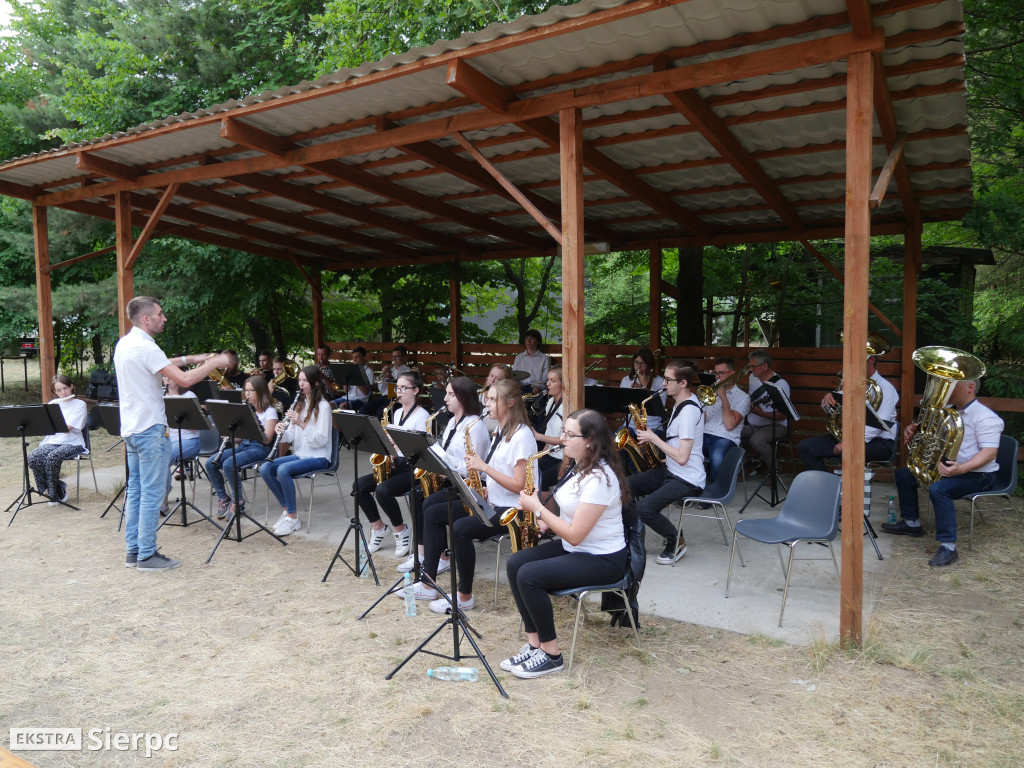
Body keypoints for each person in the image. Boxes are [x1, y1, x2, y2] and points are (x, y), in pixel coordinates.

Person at [501, 408, 630, 679]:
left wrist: (538, 510)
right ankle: (535, 643)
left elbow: (574, 535)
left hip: (603, 559)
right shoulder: (578, 466)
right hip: (578, 549)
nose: (563, 439)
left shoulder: (600, 479)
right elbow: (572, 511)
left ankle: (551, 655)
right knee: (515, 563)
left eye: (570, 435)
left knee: (529, 575)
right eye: (564, 432)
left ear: (590, 441)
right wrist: (548, 519)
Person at [113, 296, 230, 571]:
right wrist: (215, 362)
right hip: (151, 429)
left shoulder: (126, 343)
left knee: (137, 491)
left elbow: (163, 362)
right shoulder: (145, 346)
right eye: (160, 314)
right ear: (146, 319)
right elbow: (186, 379)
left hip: (131, 429)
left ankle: (134, 551)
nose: (164, 318)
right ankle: (147, 555)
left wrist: (195, 358)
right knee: (153, 493)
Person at [429, 378, 535, 614]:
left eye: (492, 399)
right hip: (495, 501)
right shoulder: (500, 430)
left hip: (514, 509)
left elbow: (521, 485)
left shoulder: (522, 435)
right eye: (486, 398)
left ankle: (464, 595)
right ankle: (429, 577)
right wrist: (487, 487)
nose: (486, 403)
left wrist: (484, 468)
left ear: (509, 403)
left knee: (460, 529)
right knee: (438, 510)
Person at [882, 377, 1003, 567]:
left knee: (939, 489)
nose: (946, 390)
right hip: (949, 468)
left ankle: (949, 547)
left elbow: (989, 453)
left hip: (978, 475)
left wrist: (961, 469)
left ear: (970, 388)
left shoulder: (986, 417)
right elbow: (930, 438)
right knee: (904, 475)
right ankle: (912, 524)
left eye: (952, 386)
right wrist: (913, 431)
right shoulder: (946, 413)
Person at [402, 376, 490, 599]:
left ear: (463, 397)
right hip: (454, 481)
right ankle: (438, 560)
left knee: (432, 512)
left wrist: (447, 465)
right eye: (447, 393)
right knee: (426, 502)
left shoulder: (475, 427)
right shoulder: (452, 422)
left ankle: (429, 580)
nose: (446, 398)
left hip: (471, 488)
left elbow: (476, 469)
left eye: (451, 394)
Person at [626, 361, 705, 565]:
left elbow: (683, 457)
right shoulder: (679, 404)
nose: (663, 384)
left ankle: (675, 539)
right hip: (671, 469)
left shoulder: (689, 411)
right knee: (624, 486)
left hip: (687, 478)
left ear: (684, 382)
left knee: (645, 508)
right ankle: (632, 533)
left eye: (668, 380)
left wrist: (653, 438)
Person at [353, 369, 429, 556]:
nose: (399, 392)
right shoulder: (395, 413)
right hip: (397, 464)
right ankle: (378, 527)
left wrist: (397, 445)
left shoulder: (423, 416)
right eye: (398, 388)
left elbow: (421, 450)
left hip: (414, 468)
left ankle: (400, 530)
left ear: (416, 390)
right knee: (359, 486)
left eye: (404, 388)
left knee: (383, 490)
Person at [263, 365, 334, 537]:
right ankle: (287, 511)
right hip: (302, 454)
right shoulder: (300, 404)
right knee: (266, 468)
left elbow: (321, 440)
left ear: (315, 383)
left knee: (283, 470)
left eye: (305, 381)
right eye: (299, 380)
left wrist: (302, 423)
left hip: (319, 456)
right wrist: (282, 431)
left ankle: (293, 518)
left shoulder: (324, 407)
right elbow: (291, 436)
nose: (301, 384)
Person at [797, 354, 898, 472]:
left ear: (872, 359)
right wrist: (828, 398)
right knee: (806, 447)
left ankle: (850, 489)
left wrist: (849, 442)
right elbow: (830, 408)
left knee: (847, 453)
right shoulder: (853, 383)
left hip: (879, 442)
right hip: (848, 436)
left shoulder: (886, 388)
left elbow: (879, 426)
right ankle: (827, 487)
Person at [206, 375, 278, 520]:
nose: (247, 394)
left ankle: (238, 500)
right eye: (246, 390)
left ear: (260, 392)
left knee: (228, 464)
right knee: (210, 463)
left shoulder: (270, 411)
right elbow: (241, 438)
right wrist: (230, 434)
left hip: (260, 448)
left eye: (251, 391)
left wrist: (253, 426)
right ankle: (223, 498)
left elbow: (267, 439)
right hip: (245, 445)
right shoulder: (246, 409)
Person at [27, 374, 88, 506]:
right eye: (59, 390)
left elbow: (67, 428)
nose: (63, 393)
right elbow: (46, 427)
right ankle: (58, 486)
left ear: (71, 387)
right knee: (33, 458)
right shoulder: (53, 404)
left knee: (53, 457)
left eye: (65, 388)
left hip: (73, 442)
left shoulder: (80, 404)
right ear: (54, 392)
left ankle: (54, 494)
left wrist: (52, 423)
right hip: (52, 441)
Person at [702, 357, 751, 483]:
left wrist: (723, 397)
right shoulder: (712, 393)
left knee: (716, 458)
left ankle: (715, 496)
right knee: (686, 450)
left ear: (732, 374)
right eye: (715, 373)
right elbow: (702, 421)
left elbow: (729, 425)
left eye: (721, 373)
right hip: (705, 433)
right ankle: (689, 491)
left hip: (726, 437)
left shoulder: (743, 398)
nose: (717, 377)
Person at [741, 350, 790, 471]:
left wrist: (762, 413)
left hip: (776, 426)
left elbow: (783, 415)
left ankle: (774, 470)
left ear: (764, 366)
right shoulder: (752, 378)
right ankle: (747, 464)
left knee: (756, 441)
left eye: (753, 366)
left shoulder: (781, 384)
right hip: (753, 424)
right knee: (730, 432)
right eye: (749, 366)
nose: (750, 370)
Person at [161, 372, 202, 515]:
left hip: (189, 440)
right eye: (164, 376)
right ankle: (156, 494)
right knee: (151, 457)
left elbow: (196, 426)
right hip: (167, 439)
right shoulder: (161, 396)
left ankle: (162, 500)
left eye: (169, 376)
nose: (165, 378)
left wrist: (176, 417)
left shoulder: (189, 396)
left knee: (163, 459)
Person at [619, 347, 667, 435]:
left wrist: (647, 386)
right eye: (636, 362)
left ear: (649, 365)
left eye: (642, 364)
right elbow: (621, 405)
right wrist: (631, 392)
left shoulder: (660, 381)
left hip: (652, 426)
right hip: (631, 425)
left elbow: (660, 406)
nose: (638, 366)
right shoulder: (626, 380)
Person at [532, 366, 564, 490]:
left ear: (563, 383)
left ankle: (544, 510)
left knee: (542, 481)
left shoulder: (567, 406)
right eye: (548, 380)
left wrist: (538, 436)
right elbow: (550, 432)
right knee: (530, 474)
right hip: (551, 454)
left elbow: (566, 440)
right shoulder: (550, 402)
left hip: (564, 458)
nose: (547, 384)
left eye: (553, 381)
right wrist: (541, 454)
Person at [359, 345, 412, 418]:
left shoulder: (408, 371)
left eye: (397, 357)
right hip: (385, 397)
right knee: (363, 410)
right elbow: (382, 389)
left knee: (381, 412)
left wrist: (391, 378)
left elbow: (403, 390)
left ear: (404, 357)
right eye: (393, 357)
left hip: (398, 399)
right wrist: (384, 377)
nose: (394, 359)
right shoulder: (390, 369)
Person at [331, 346, 374, 411]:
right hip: (348, 398)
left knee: (342, 406)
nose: (354, 360)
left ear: (364, 357)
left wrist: (356, 375)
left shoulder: (369, 371)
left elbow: (366, 392)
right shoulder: (351, 370)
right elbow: (346, 391)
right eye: (353, 357)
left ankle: (343, 421)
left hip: (361, 400)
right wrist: (345, 376)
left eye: (357, 357)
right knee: (330, 404)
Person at [513, 329, 550, 394]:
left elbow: (546, 378)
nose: (528, 341)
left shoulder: (545, 358)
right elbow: (514, 375)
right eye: (527, 338)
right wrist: (517, 384)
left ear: (538, 341)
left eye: (531, 338)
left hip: (537, 389)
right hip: (521, 388)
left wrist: (539, 387)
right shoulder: (519, 357)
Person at [480, 364, 511, 433]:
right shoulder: (476, 395)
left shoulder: (507, 402)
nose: (492, 380)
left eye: (498, 379)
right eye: (491, 376)